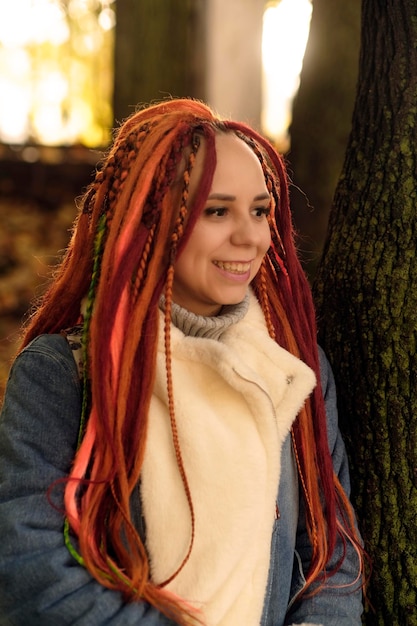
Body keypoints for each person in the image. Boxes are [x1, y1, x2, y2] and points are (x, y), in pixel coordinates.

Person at [0, 98, 364, 626]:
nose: (250, 235)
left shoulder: (293, 368)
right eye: (216, 211)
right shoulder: (65, 373)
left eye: (260, 210)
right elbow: (30, 569)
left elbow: (332, 554)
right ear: (152, 219)